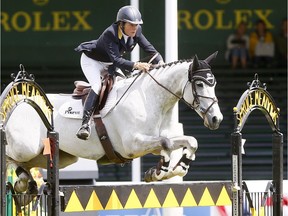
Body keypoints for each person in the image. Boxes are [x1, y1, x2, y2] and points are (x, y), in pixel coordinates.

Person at [74, 5, 164, 140]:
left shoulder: (137, 31)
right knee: (97, 86)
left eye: (137, 25)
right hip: (91, 61)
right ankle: (85, 124)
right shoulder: (110, 33)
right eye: (131, 24)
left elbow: (150, 49)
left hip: (109, 63)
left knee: (123, 84)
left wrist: (162, 63)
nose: (135, 28)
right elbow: (116, 60)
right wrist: (137, 65)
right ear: (121, 24)